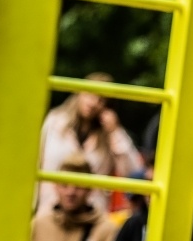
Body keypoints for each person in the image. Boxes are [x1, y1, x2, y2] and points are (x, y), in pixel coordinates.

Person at [37, 72, 143, 214]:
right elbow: (35, 161)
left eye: (101, 100)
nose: (93, 103)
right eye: (90, 95)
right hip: (50, 211)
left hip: (91, 216)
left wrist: (115, 133)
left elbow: (133, 173)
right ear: (79, 93)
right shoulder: (54, 122)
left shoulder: (109, 136)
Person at [27, 152, 118, 241]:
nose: (71, 192)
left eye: (78, 186)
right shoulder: (39, 223)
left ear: (90, 188)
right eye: (64, 185)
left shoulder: (106, 230)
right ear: (55, 186)